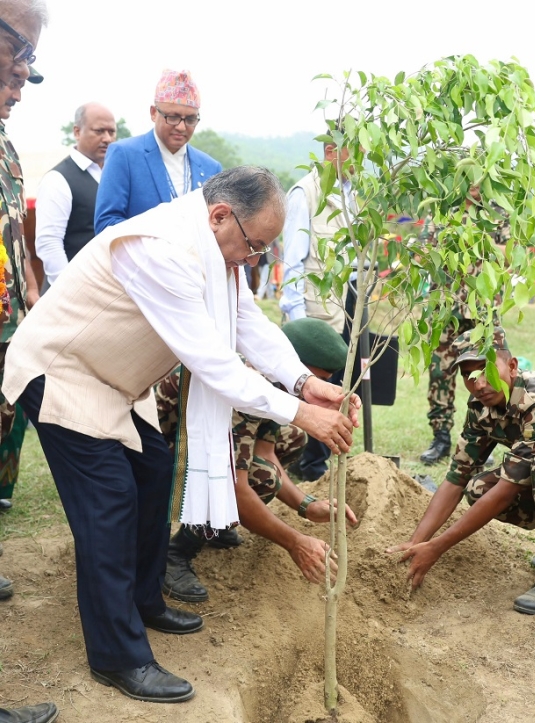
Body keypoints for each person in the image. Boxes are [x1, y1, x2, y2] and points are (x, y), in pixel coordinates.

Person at [2, 166, 360, 704]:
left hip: (117, 381)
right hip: (64, 372)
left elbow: (247, 324)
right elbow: (214, 362)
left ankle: (144, 600)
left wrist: (304, 382)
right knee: (110, 503)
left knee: (152, 472)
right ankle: (117, 656)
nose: (254, 259)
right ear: (221, 216)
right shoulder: (162, 248)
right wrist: (299, 414)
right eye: (254, 246)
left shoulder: (217, 247)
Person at [157, 316, 357, 602]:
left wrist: (307, 506)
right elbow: (238, 489)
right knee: (257, 481)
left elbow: (266, 453)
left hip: (193, 446)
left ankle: (216, 523)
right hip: (152, 457)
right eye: (318, 380)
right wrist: (295, 543)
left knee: (293, 438)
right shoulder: (244, 388)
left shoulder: (275, 385)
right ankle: (175, 552)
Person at [389, 326, 535, 616]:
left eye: (486, 370)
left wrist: (437, 548)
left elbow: (507, 492)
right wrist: (418, 542)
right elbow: (457, 477)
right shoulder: (480, 406)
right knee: (478, 489)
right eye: (468, 375)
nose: (478, 384)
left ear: (512, 366)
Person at [0, 1, 59, 719]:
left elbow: (17, 244)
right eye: (17, 60)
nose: (20, 83)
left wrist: (40, 314)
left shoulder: (7, 150)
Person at [280, 140, 355, 482]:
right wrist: (297, 325)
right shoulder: (305, 193)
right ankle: (301, 464)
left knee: (332, 390)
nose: (362, 158)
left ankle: (314, 463)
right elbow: (293, 261)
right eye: (357, 149)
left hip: (337, 310)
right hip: (310, 317)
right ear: (330, 150)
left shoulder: (350, 193)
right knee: (304, 390)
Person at [419, 188, 509, 465]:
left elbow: (506, 257)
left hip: (483, 309)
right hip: (445, 307)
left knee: (487, 373)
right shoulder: (441, 210)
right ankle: (441, 438)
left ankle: (485, 439)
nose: (474, 186)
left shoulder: (497, 212)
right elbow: (423, 254)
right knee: (440, 372)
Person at [94, 69, 221, 234]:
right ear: (154, 113)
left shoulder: (211, 168)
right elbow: (106, 224)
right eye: (173, 117)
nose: (181, 127)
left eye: (190, 119)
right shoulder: (124, 155)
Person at [35, 103, 116, 288]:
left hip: (107, 290)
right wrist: (70, 290)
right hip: (71, 294)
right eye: (99, 131)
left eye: (111, 132)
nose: (107, 138)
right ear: (77, 132)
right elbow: (49, 243)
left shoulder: (113, 174)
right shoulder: (58, 180)